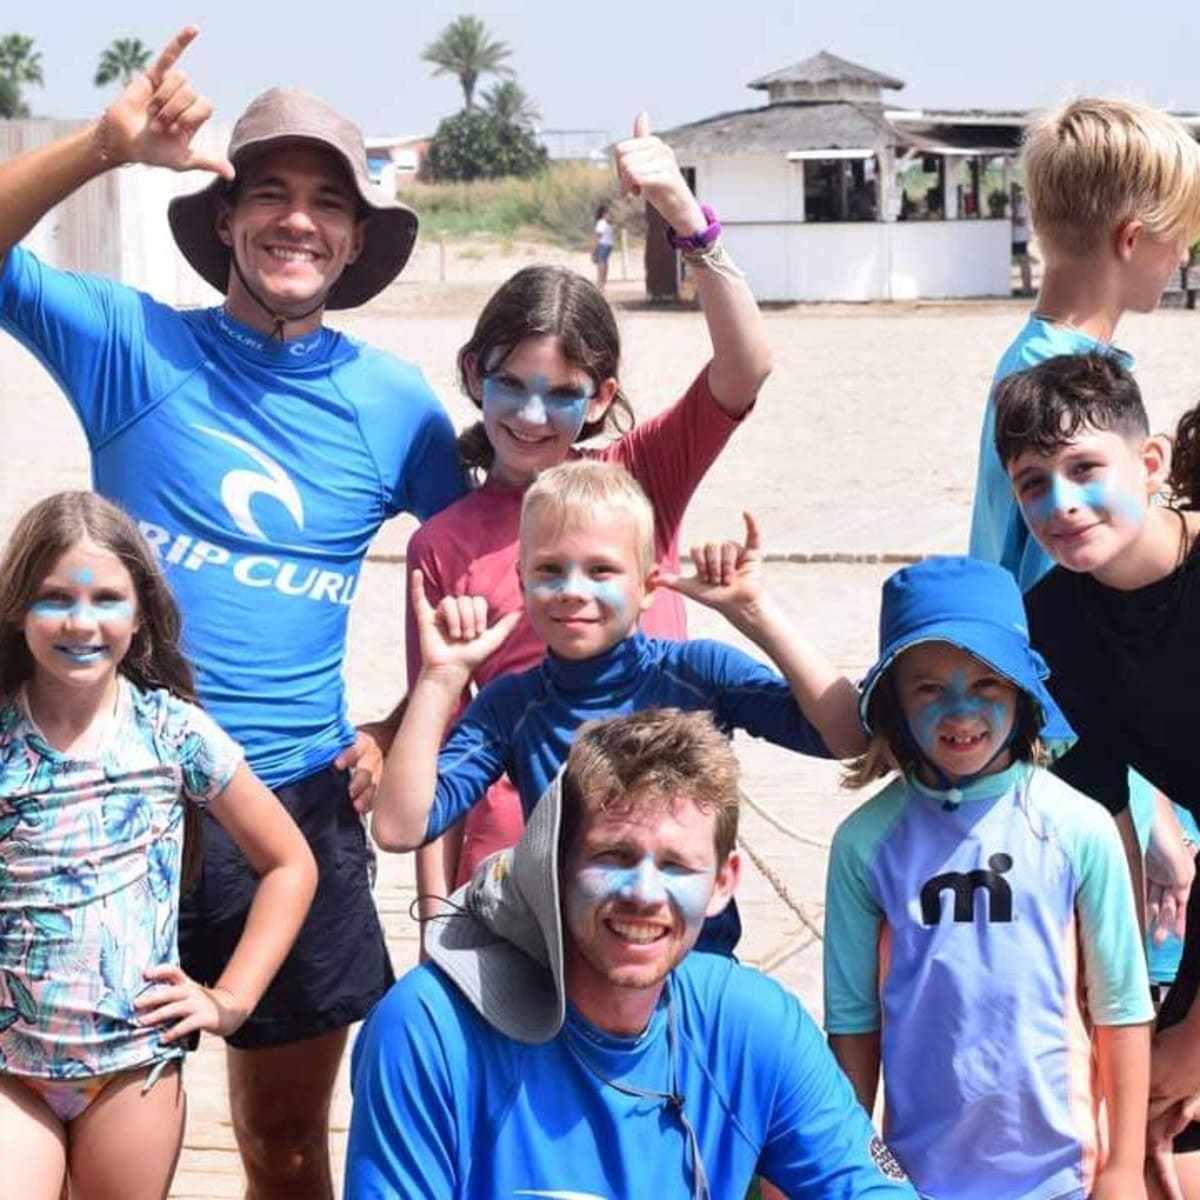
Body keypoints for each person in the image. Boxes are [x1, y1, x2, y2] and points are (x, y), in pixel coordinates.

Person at [0, 29, 463, 1198]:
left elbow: (477, 571)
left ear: (354, 241)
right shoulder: (131, 345)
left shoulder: (395, 406)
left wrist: (401, 722)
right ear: (224, 221)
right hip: (108, 794)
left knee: (285, 1144)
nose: (297, 221)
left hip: (294, 810)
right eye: (269, 194)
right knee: (77, 1132)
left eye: (327, 203)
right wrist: (104, 147)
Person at [404, 111, 769, 920]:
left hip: (658, 857)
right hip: (513, 872)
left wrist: (685, 219)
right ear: (473, 373)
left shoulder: (639, 478)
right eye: (511, 385)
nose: (533, 415)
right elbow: (439, 732)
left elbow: (745, 368)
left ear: (602, 397)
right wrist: (432, 909)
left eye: (564, 393)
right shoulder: (441, 542)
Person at [346, 708, 918, 1199]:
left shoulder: (750, 1024)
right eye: (614, 856)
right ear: (555, 864)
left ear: (722, 883)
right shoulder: (432, 1028)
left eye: (676, 866)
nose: (644, 893)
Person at [0, 491, 317, 1200]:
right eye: (55, 598)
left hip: (132, 1067)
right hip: (9, 1071)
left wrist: (229, 999)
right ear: (18, 608)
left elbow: (289, 863)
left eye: (106, 598)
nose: (82, 621)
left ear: (140, 611)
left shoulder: (173, 732)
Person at [824, 555, 1152, 1200]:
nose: (960, 712)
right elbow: (853, 1021)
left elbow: (1122, 1006)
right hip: (918, 1180)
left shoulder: (1077, 828)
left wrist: (1123, 1165)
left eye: (986, 683)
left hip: (1064, 1177)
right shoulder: (864, 843)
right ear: (893, 701)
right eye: (928, 689)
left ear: (1023, 690)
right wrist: (849, 1168)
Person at [966, 96, 1200, 992]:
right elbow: (1068, 641)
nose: (1183, 261)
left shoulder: (1041, 361)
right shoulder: (1054, 388)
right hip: (1094, 778)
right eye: (1181, 242)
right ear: (1134, 239)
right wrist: (1148, 810)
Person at [372, 460, 866, 873]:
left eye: (600, 570)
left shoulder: (697, 674)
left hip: (695, 948)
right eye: (549, 569)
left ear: (648, 586)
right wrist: (440, 679)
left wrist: (758, 613)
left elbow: (848, 735)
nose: (572, 590)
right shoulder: (512, 705)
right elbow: (397, 828)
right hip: (566, 951)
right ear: (522, 582)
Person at [992, 352, 1200, 1197]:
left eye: (1084, 469)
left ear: (1149, 463)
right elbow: (1104, 831)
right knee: (1145, 1116)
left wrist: (1189, 1048)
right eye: (1032, 484)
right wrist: (1122, 1028)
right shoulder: (1050, 630)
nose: (1061, 503)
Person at [1010, 181, 1033, 296]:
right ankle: (1026, 287)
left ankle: (1027, 288)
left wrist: (1010, 218)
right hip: (1017, 237)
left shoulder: (1022, 204)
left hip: (1021, 237)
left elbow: (1021, 221)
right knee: (1022, 262)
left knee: (1023, 262)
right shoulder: (1016, 205)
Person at [591, 200, 615, 289]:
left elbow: (598, 236)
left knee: (601, 263)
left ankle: (600, 282)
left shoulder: (602, 223)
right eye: (609, 213)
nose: (611, 215)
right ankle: (602, 282)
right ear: (604, 214)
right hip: (608, 245)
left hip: (603, 245)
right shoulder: (607, 224)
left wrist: (594, 250)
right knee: (604, 263)